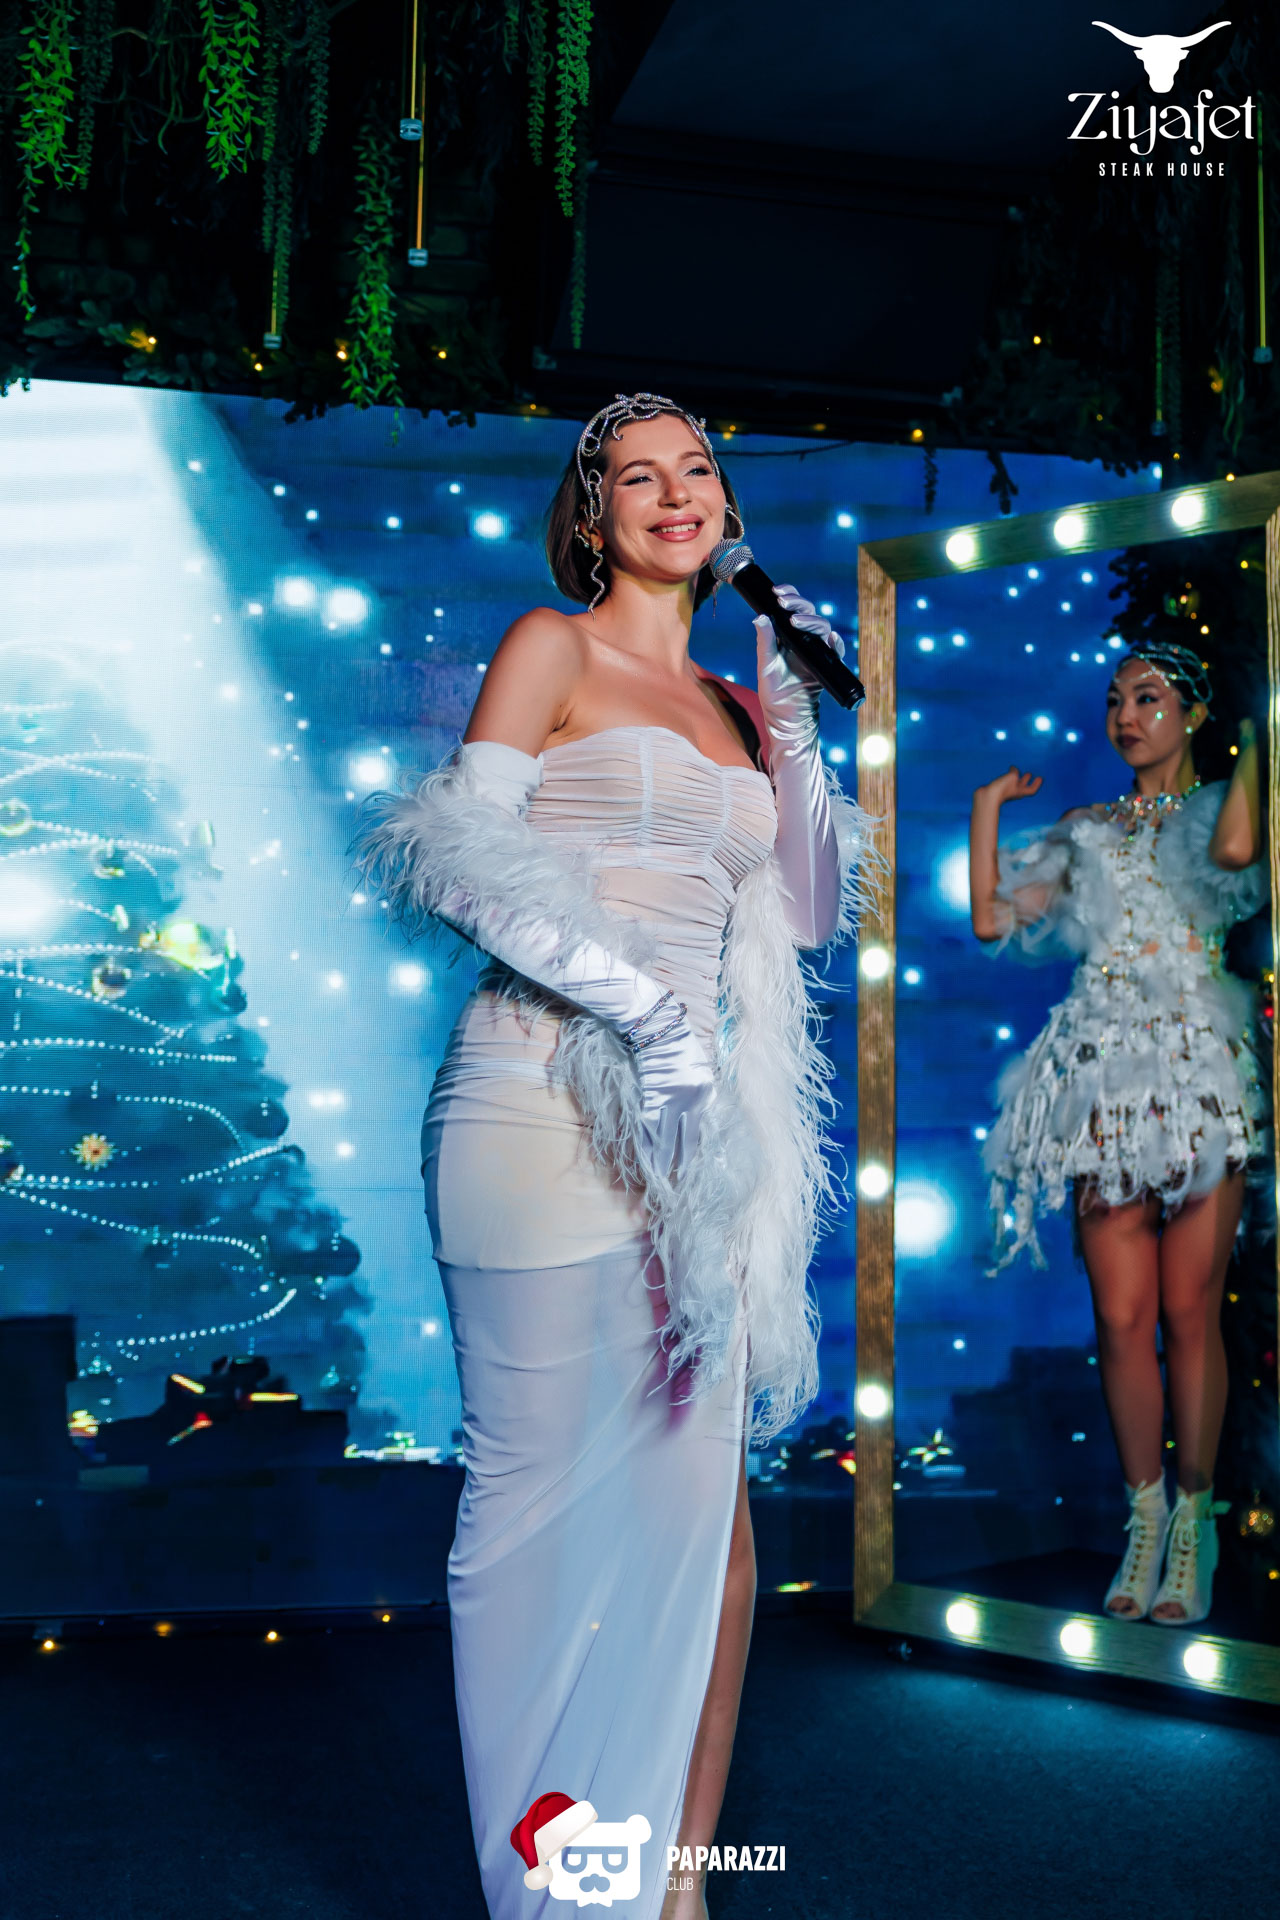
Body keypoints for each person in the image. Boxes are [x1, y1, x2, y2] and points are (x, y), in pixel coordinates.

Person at [353, 393, 871, 1920]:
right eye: (636, 477)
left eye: (696, 469)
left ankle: (671, 1883)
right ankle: (555, 1891)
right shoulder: (552, 646)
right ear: (593, 514)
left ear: (725, 506)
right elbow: (456, 864)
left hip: (693, 1143)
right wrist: (645, 1014)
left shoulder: (735, 697)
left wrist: (792, 721)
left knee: (709, 1531)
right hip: (539, 1099)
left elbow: (810, 911)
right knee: (529, 1514)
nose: (673, 493)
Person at [968, 640, 1265, 1629]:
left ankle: (1193, 1522)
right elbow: (992, 923)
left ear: (1192, 712)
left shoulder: (1219, 807)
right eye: (1113, 700)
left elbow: (1234, 857)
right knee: (1120, 1317)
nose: (1125, 716)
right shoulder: (1084, 828)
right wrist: (985, 809)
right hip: (1098, 1074)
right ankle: (1143, 1520)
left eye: (1147, 698)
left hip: (1199, 1070)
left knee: (1188, 1310)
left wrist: (1259, 733)